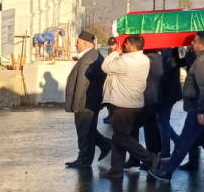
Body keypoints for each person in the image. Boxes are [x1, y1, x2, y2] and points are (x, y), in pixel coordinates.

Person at [151, 31, 204, 182]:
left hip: (199, 108)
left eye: (194, 41)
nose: (191, 43)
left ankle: (168, 172)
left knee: (184, 140)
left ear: (202, 44)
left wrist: (201, 111)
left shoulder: (201, 62)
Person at [100, 35, 159, 179]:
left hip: (123, 104)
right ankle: (116, 169)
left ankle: (149, 158)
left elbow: (105, 66)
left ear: (133, 47)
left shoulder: (125, 60)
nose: (124, 45)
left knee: (122, 137)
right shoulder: (144, 59)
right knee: (118, 136)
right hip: (135, 104)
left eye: (127, 43)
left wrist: (114, 52)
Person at [63, 30, 111, 168]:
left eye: (78, 42)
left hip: (85, 102)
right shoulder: (92, 55)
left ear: (85, 43)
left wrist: (76, 104)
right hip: (90, 101)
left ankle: (84, 158)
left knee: (84, 131)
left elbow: (82, 84)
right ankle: (105, 144)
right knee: (88, 129)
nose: (76, 44)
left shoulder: (88, 58)